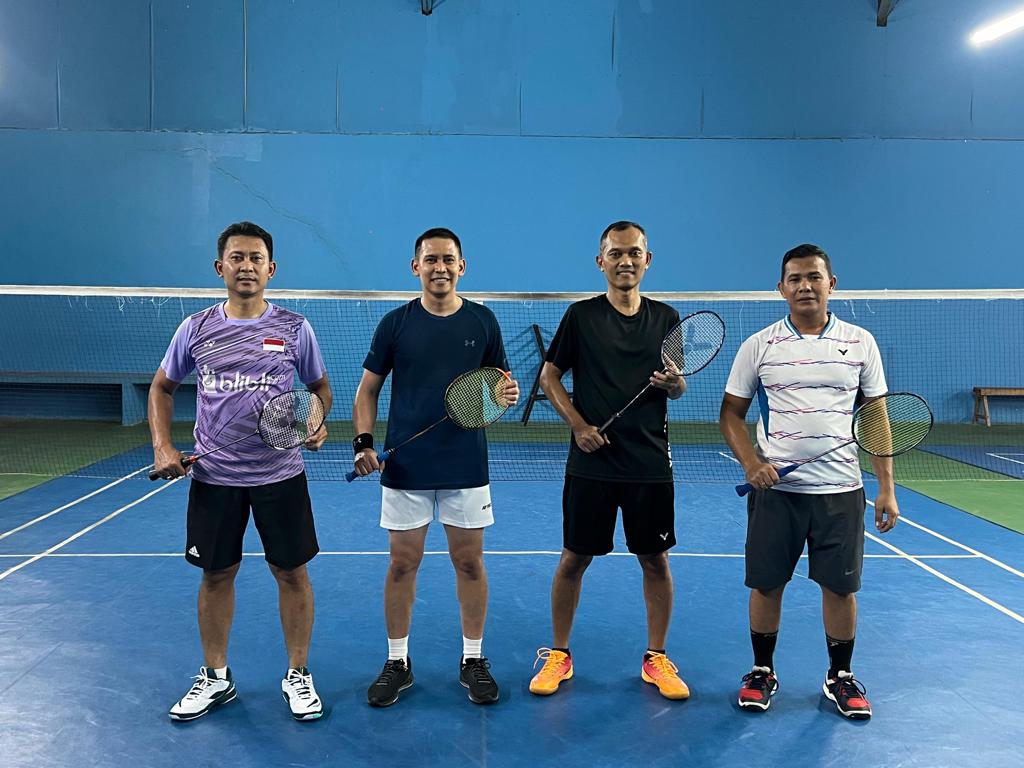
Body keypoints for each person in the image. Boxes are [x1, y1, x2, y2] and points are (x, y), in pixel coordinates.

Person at [149, 221, 332, 722]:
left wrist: (315, 422)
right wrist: (163, 446)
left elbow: (319, 389)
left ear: (271, 269)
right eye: (237, 257)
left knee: (291, 573)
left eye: (256, 258)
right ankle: (215, 677)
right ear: (220, 267)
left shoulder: (295, 328)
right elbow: (162, 387)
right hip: (215, 478)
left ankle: (298, 673)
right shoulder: (195, 328)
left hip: (280, 476)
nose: (246, 266)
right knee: (216, 575)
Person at [719, 243, 899, 719]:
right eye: (795, 278)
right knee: (766, 584)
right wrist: (751, 464)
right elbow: (730, 414)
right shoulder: (759, 345)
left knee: (840, 588)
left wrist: (886, 487)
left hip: (841, 490)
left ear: (831, 284)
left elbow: (876, 417)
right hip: (776, 492)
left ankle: (840, 676)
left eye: (813, 277)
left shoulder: (860, 342)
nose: (805, 286)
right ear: (781, 288)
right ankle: (761, 671)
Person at [351, 227, 519, 707]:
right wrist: (363, 443)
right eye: (431, 259)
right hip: (405, 467)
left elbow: (499, 385)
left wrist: (504, 396)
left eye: (448, 259)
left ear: (461, 267)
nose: (440, 267)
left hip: (465, 464)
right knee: (402, 563)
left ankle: (473, 659)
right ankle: (397, 662)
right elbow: (367, 390)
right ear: (416, 267)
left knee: (469, 562)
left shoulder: (483, 321)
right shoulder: (395, 324)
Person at [528, 221, 690, 701]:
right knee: (574, 558)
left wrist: (674, 384)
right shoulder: (580, 316)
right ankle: (559, 654)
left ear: (648, 259)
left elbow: (677, 385)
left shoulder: (667, 318)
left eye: (634, 252)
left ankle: (656, 658)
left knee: (655, 560)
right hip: (592, 462)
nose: (626, 261)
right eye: (616, 253)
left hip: (649, 462)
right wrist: (578, 425)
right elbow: (549, 377)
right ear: (601, 262)